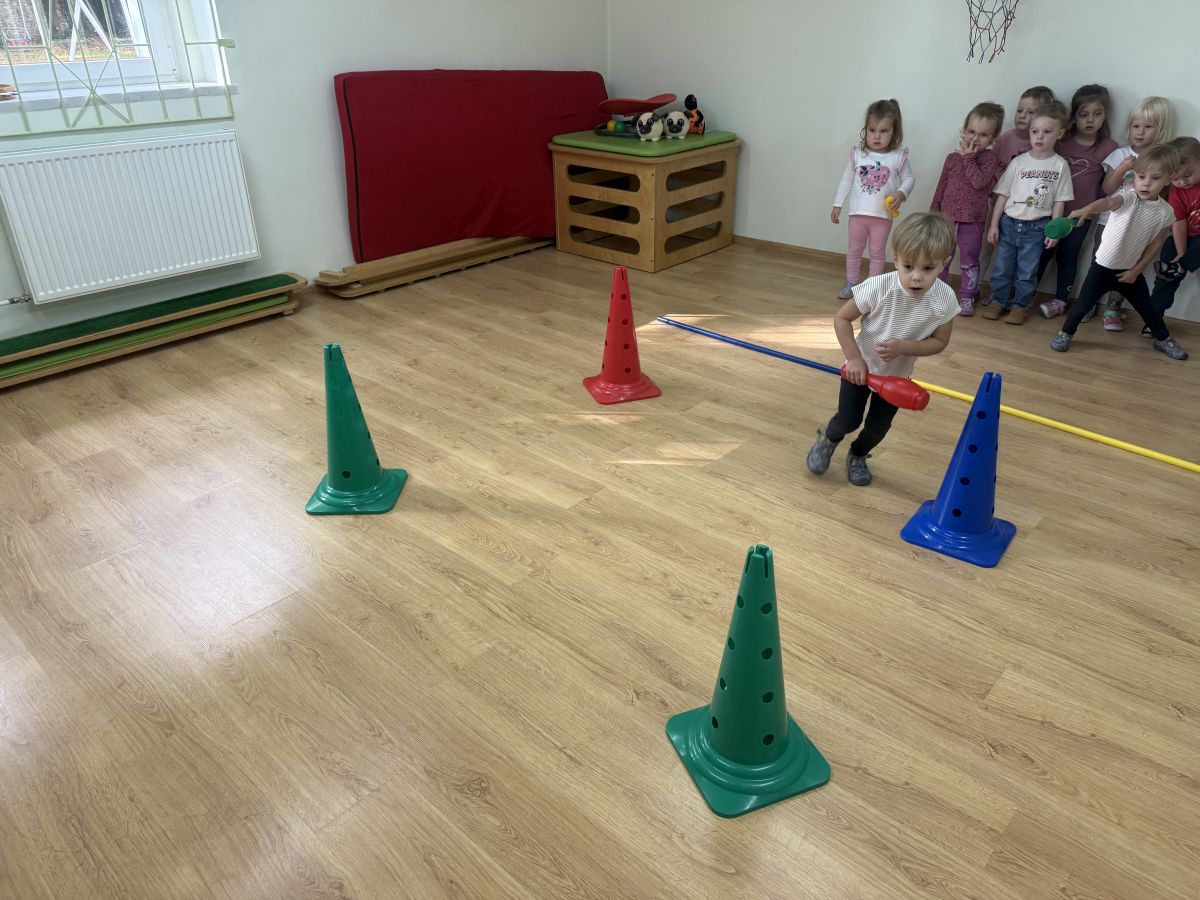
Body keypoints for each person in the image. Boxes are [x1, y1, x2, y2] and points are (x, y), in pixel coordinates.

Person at [806, 213, 959, 487]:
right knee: (848, 420)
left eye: (928, 268)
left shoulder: (944, 299)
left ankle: (858, 454)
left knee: (878, 429)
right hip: (859, 369)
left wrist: (905, 347)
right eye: (908, 266)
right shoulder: (878, 287)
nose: (916, 277)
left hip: (896, 378)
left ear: (944, 263)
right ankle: (828, 438)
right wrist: (854, 358)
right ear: (896, 258)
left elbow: (940, 341)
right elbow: (842, 319)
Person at [1049, 144, 1188, 360]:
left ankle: (1163, 339)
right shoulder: (1129, 197)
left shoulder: (1165, 212)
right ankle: (1065, 333)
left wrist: (1136, 271)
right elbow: (1107, 202)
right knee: (1082, 306)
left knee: (1148, 308)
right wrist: (1087, 209)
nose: (1146, 183)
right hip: (1102, 268)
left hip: (1130, 271)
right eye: (1141, 177)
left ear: (1168, 179)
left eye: (1155, 178)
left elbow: (1155, 245)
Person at [982, 101, 1074, 324]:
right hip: (1009, 223)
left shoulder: (1060, 165)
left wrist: (1054, 231)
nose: (1039, 137)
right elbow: (1002, 195)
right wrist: (994, 225)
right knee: (1002, 268)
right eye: (1035, 131)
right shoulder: (1019, 162)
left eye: (1047, 132)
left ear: (1060, 133)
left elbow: (1060, 201)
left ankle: (1020, 306)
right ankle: (998, 301)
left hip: (1037, 227)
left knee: (1027, 271)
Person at [1093, 96, 1177, 329]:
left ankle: (1113, 308)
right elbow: (1107, 189)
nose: (1140, 131)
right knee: (1099, 263)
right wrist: (1123, 167)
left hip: (1140, 227)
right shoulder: (1120, 154)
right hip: (1109, 221)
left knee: (1126, 267)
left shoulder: (1163, 160)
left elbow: (1165, 195)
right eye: (1135, 125)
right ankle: (1089, 302)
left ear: (1161, 130)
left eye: (1148, 126)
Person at [1036, 85, 1118, 318]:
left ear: (1106, 115)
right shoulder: (1062, 140)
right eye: (1084, 114)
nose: (1090, 120)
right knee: (1042, 254)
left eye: (1097, 114)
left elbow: (1107, 185)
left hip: (1080, 216)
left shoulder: (1108, 147)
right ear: (1074, 116)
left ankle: (1061, 300)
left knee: (1068, 257)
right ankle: (1025, 293)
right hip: (1051, 211)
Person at [831, 99, 914, 300]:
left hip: (882, 217)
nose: (877, 136)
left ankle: (872, 286)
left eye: (884, 131)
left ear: (894, 132)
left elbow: (909, 179)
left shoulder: (897, 157)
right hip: (857, 214)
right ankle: (851, 282)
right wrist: (837, 204)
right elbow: (846, 180)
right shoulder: (858, 155)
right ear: (865, 130)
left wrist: (901, 193)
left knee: (877, 252)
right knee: (854, 249)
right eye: (872, 130)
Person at [930, 101, 1005, 316]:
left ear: (993, 138)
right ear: (963, 130)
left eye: (983, 135)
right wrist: (933, 211)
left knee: (969, 261)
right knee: (941, 258)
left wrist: (968, 158)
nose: (974, 139)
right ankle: (936, 294)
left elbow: (979, 182)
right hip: (946, 218)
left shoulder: (989, 159)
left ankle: (967, 296)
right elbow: (942, 185)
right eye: (971, 132)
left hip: (972, 220)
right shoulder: (952, 158)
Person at [1147, 136, 1200, 327]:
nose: (1182, 182)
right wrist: (1181, 252)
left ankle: (1178, 266)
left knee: (1174, 266)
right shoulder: (1176, 193)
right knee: (1167, 269)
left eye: (1188, 175)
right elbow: (1179, 223)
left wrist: (1182, 260)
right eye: (1175, 179)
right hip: (1186, 236)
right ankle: (1153, 320)